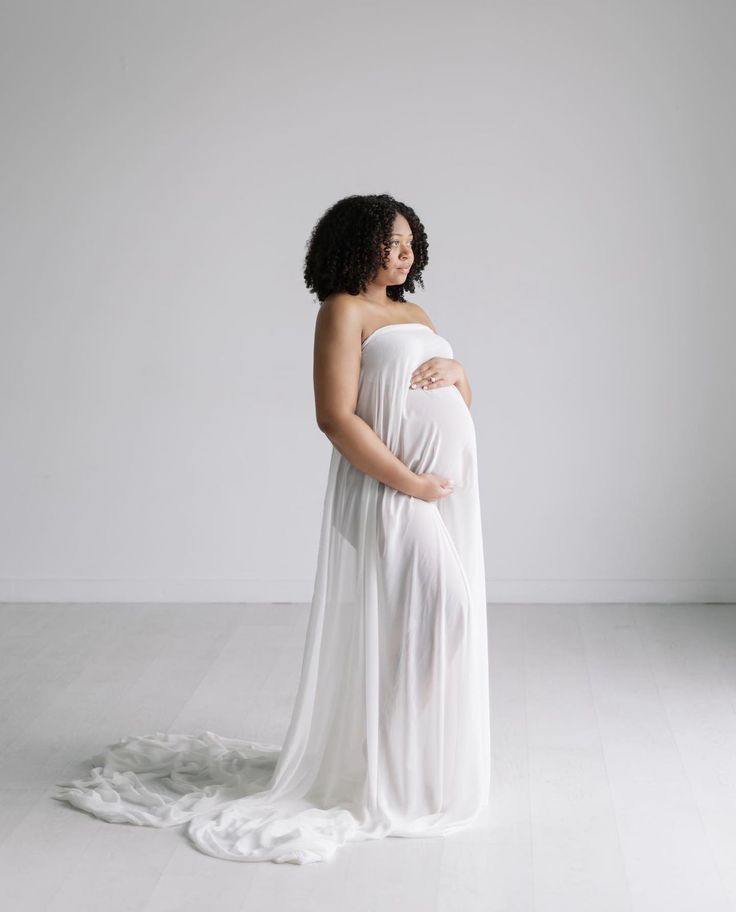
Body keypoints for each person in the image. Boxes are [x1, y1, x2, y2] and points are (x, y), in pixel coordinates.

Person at [53, 193, 491, 864]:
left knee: (428, 626)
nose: (405, 253)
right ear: (354, 246)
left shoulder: (417, 313)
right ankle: (392, 770)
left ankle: (405, 761)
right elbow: (335, 416)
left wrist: (460, 374)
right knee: (445, 616)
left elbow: (454, 398)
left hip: (432, 495)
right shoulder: (342, 311)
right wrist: (410, 482)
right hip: (387, 490)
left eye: (411, 242)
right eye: (391, 242)